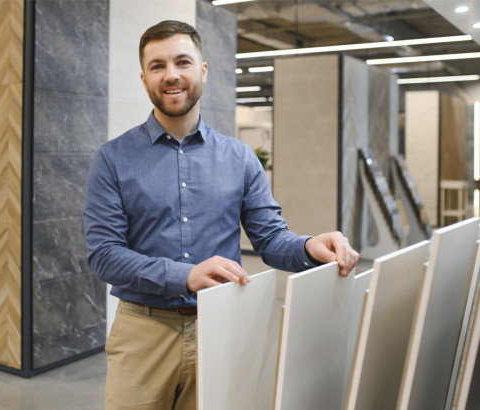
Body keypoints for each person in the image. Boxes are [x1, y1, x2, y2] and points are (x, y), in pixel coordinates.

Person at [84, 19, 360, 410]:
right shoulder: (112, 159)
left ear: (203, 70)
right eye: (158, 66)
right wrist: (186, 275)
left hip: (225, 326)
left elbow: (270, 240)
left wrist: (310, 246)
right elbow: (104, 254)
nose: (171, 75)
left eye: (182, 61)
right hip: (142, 333)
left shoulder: (239, 157)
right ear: (144, 78)